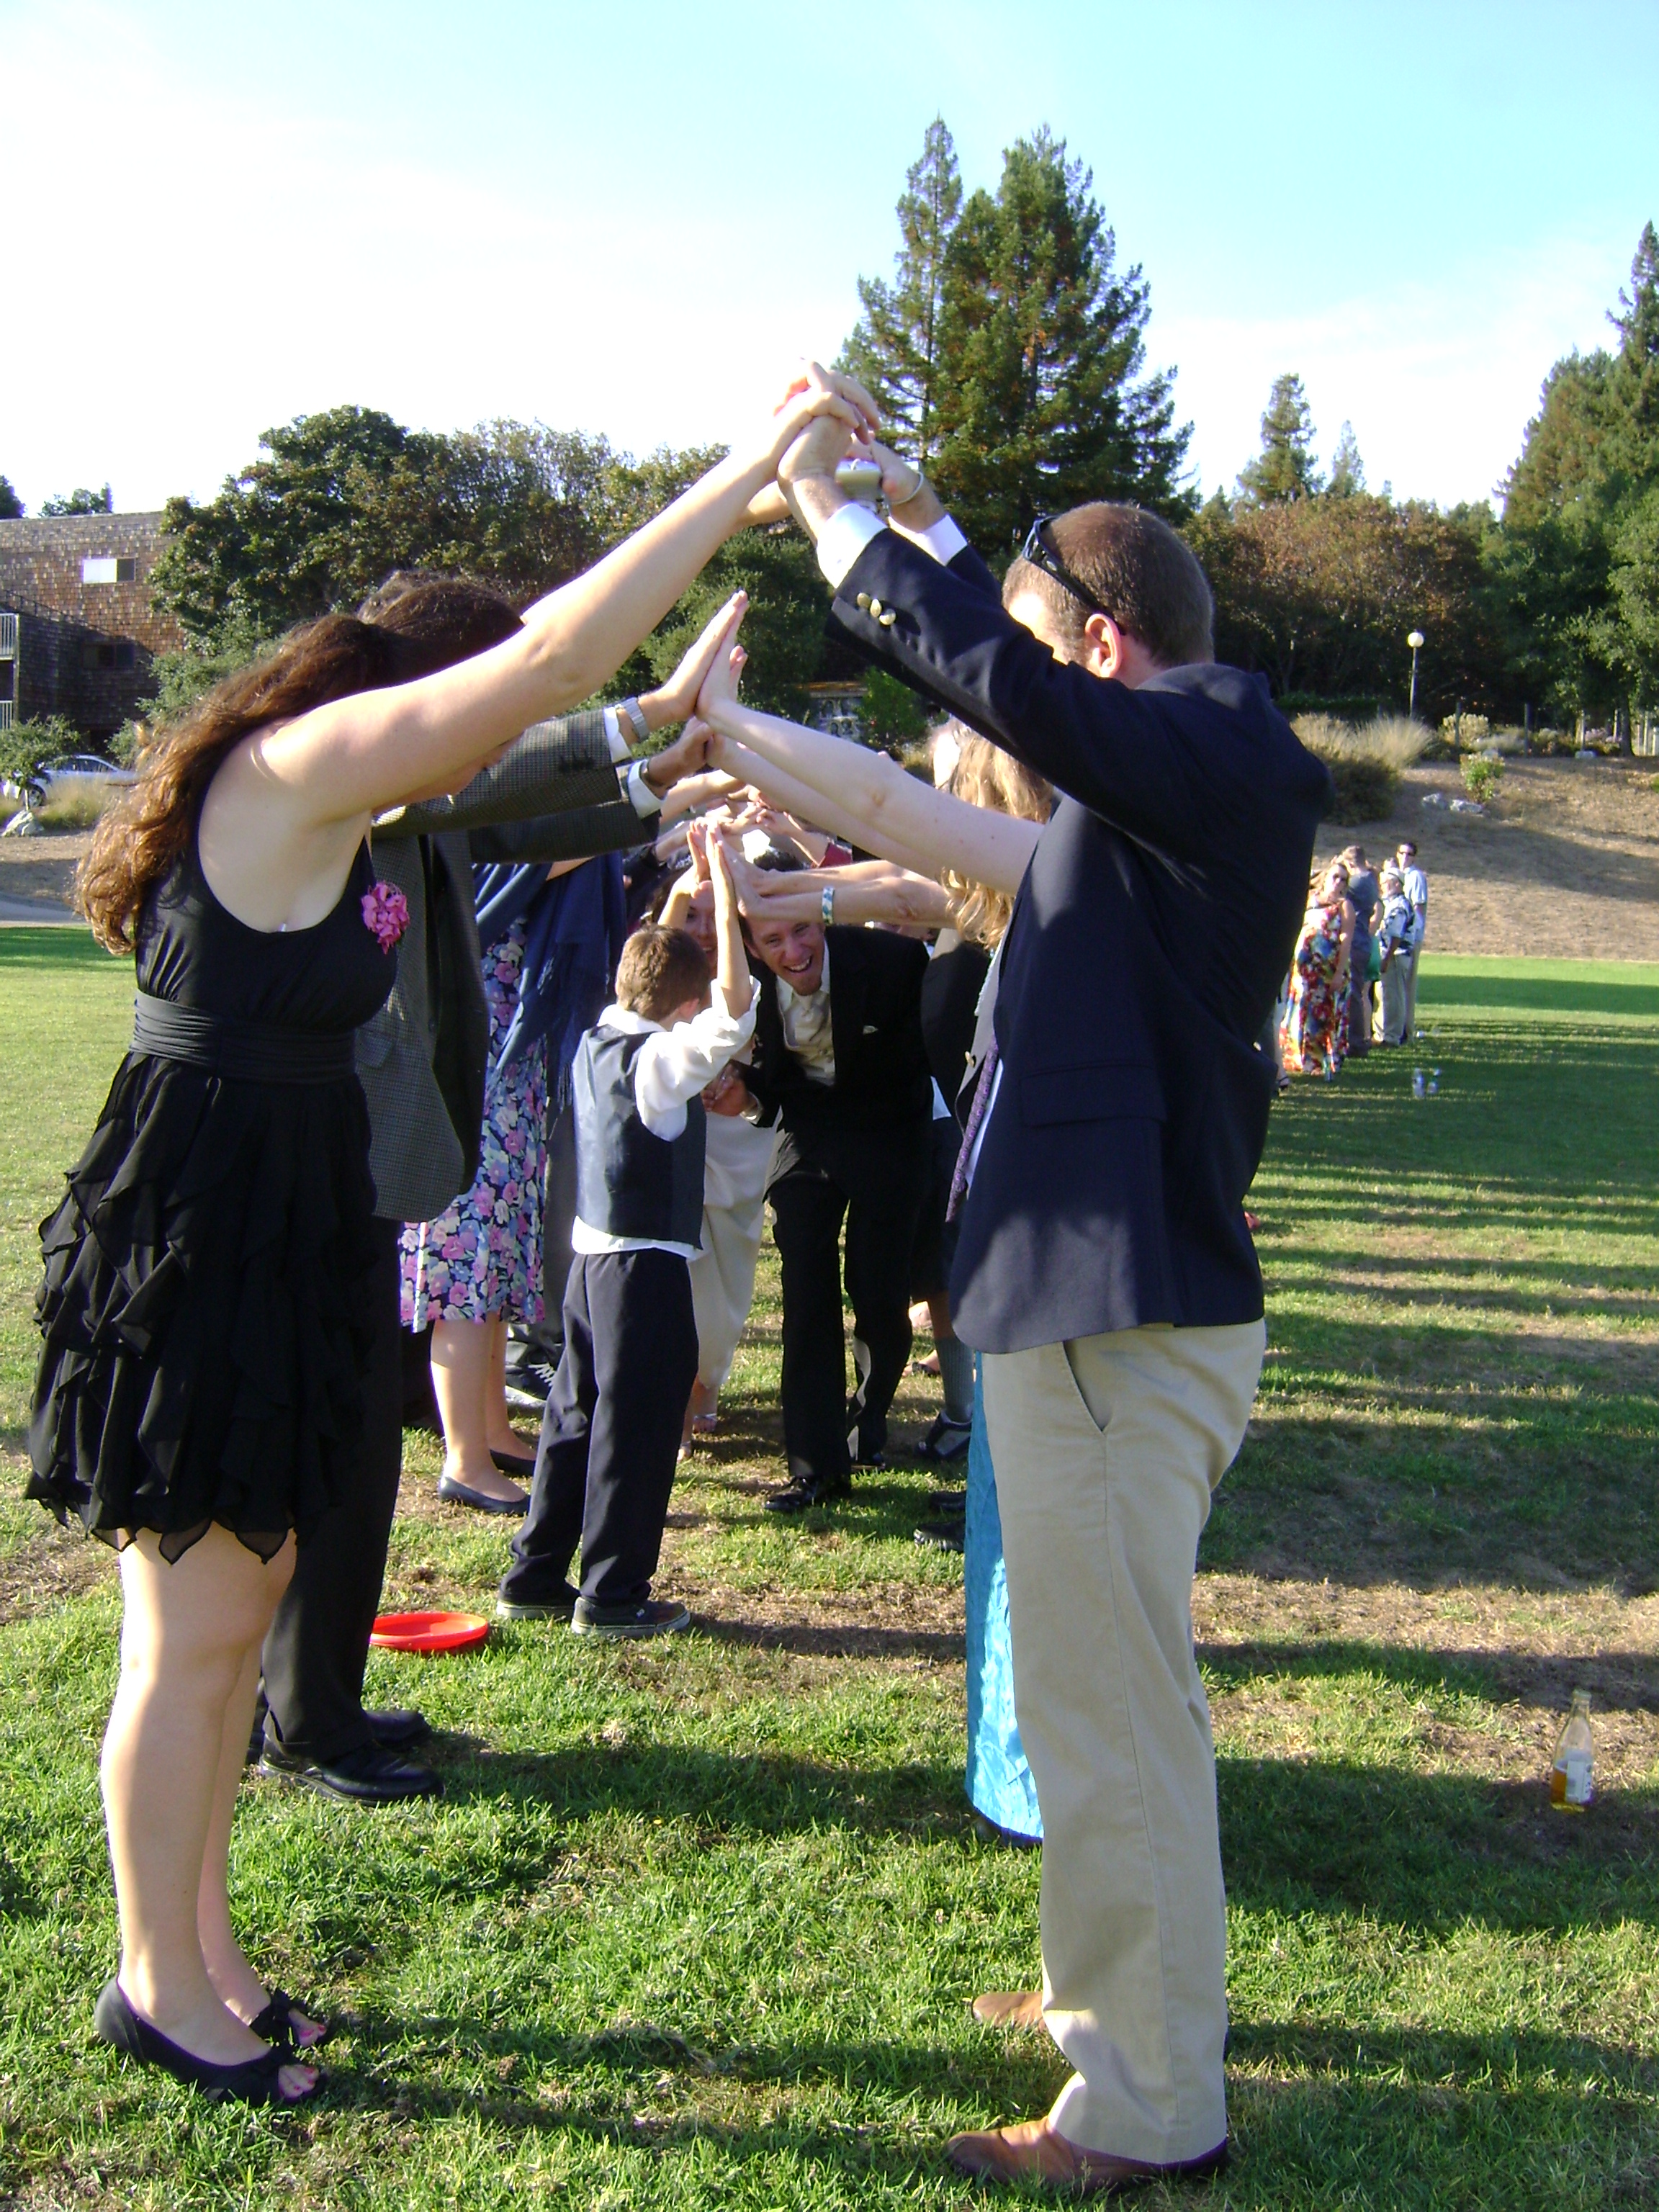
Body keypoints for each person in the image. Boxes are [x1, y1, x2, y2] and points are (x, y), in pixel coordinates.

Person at [23, 370, 868, 2105]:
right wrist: (742, 473)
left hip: (278, 1217)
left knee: (234, 1611)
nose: (467, 752)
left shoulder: (356, 806)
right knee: (187, 1642)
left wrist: (665, 711)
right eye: (454, 714)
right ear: (400, 696)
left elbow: (550, 741)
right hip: (205, 1231)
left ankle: (205, 1957)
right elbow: (547, 668)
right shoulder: (293, 768)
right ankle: (156, 1984)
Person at [762, 365, 1331, 2194]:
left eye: (1040, 645)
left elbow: (998, 683)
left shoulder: (1219, 750)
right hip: (1096, 1321)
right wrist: (928, 519)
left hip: (1116, 1327)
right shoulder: (1155, 809)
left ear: (1099, 646)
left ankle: (1148, 2104)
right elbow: (981, 746)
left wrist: (833, 514)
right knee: (1105, 1705)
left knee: (1110, 1718)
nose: (1014, 691)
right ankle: (1112, 1997)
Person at [257, 590, 742, 1806]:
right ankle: (301, 1717)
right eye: (488, 703)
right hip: (301, 1166)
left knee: (359, 1454)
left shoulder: (407, 793)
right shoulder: (351, 775)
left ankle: (318, 1699)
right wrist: (648, 713)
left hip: (365, 1163)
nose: (493, 738)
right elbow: (507, 787)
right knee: (324, 1453)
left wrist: (662, 769)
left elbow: (525, 813)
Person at [496, 835, 755, 1636]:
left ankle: (536, 1573)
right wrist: (727, 905)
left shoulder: (599, 1036)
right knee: (637, 1426)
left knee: (574, 1416)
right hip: (644, 1270)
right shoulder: (662, 1062)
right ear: (683, 1008)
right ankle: (612, 1594)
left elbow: (655, 960)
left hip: (587, 1267)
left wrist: (689, 888)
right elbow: (734, 1007)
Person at [1279, 862, 1354, 1079]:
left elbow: (1346, 939)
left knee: (1324, 1016)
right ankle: (1298, 1057)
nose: (1338, 882)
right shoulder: (1311, 901)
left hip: (1328, 971)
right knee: (1301, 1012)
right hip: (1304, 972)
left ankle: (1321, 1061)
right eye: (1335, 877)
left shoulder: (1345, 907)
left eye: (1343, 879)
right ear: (1326, 878)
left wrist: (1339, 973)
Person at [1340, 843, 1379, 1059]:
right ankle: (1355, 1039)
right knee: (1356, 991)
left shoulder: (1358, 882)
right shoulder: (1370, 879)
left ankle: (1355, 1042)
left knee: (1353, 992)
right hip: (1363, 941)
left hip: (1355, 943)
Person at [1372, 863, 1416, 1047]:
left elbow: (1396, 935)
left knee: (1393, 996)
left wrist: (1387, 958)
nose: (1383, 886)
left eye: (1386, 883)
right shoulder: (1391, 903)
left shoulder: (1399, 906)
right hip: (1390, 954)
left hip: (1396, 956)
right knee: (1384, 994)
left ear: (1397, 884)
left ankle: (1391, 1036)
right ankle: (1382, 1033)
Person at [1396, 839, 1429, 1034]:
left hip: (1410, 937)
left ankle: (1406, 1028)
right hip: (1399, 936)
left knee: (1407, 984)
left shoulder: (1415, 877)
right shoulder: (1399, 875)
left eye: (1409, 854)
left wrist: (1412, 934)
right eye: (1402, 853)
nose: (1405, 857)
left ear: (1414, 858)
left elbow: (1418, 908)